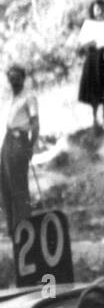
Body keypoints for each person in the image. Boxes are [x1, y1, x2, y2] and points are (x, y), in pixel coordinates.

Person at [1, 65, 38, 237]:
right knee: (4, 185)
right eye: (10, 78)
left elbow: (35, 124)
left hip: (19, 140)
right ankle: (12, 229)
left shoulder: (29, 97)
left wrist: (30, 146)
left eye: (17, 77)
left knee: (19, 187)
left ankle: (24, 228)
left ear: (23, 78)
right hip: (7, 141)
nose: (13, 81)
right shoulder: (12, 98)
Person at [77, 0, 104, 131]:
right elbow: (82, 43)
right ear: (93, 10)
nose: (99, 12)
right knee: (93, 87)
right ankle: (94, 117)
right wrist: (90, 43)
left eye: (102, 9)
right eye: (97, 9)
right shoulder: (88, 24)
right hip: (92, 58)